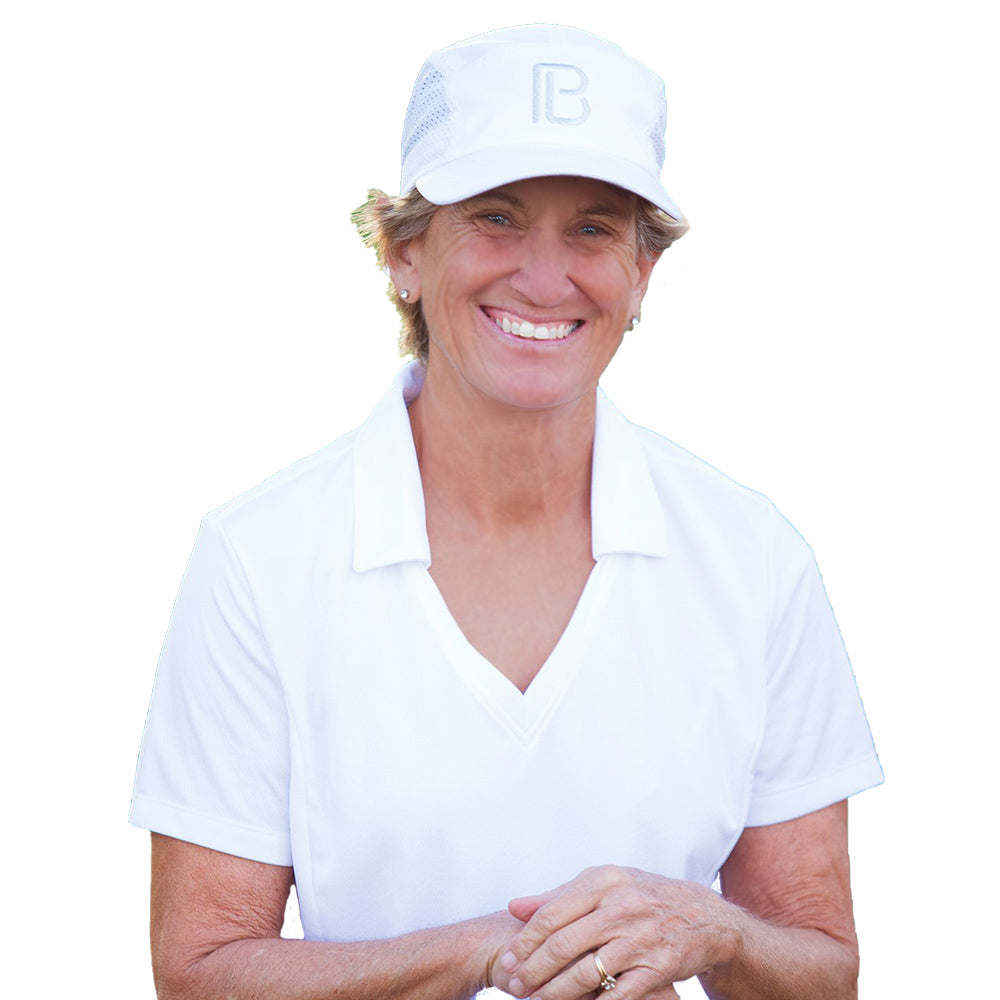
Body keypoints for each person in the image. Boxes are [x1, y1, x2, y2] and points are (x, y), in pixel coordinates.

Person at [130, 24, 882, 1000]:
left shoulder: (752, 556)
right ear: (402, 251)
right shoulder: (261, 556)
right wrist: (498, 948)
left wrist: (718, 931)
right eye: (494, 216)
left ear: (642, 273)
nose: (542, 275)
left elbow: (823, 969)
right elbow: (199, 971)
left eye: (594, 228)